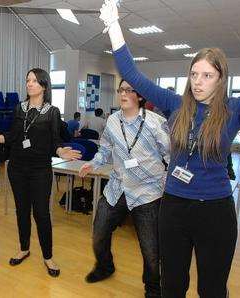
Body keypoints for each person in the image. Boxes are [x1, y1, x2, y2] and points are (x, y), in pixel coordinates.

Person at [99, 1, 240, 297]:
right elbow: (132, 75)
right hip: (174, 207)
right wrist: (113, 25)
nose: (198, 82)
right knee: (172, 286)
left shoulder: (235, 109)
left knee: (211, 289)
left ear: (221, 79)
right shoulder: (176, 105)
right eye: (194, 74)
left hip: (216, 211)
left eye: (207, 76)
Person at [0, 68, 81, 277]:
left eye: (34, 80)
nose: (29, 84)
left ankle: (48, 257)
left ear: (43, 85)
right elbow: (14, 136)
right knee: (22, 211)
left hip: (40, 169)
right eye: (27, 80)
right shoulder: (19, 108)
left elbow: (55, 141)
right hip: (17, 168)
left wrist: (60, 151)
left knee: (41, 214)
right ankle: (24, 249)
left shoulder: (52, 111)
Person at [79, 79, 170, 297]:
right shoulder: (112, 121)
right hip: (117, 188)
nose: (123, 93)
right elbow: (105, 149)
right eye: (121, 90)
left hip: (147, 192)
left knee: (150, 249)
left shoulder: (156, 122)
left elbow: (170, 155)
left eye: (129, 90)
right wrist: (93, 163)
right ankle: (105, 267)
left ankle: (153, 289)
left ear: (140, 96)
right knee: (99, 233)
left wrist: (168, 180)